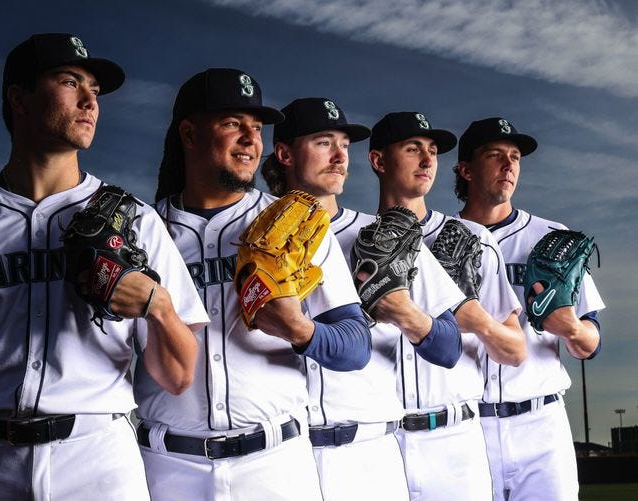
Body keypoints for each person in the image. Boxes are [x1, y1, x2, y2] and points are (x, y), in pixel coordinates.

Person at [0, 33, 208, 500]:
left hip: (97, 461)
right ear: (19, 99)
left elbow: (178, 377)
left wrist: (158, 305)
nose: (89, 102)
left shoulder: (135, 221)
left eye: (94, 90)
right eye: (69, 82)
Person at [135, 71, 372, 501]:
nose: (250, 139)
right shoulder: (143, 231)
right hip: (168, 468)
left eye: (257, 128)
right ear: (189, 133)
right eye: (233, 124)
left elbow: (356, 345)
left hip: (275, 465)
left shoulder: (294, 223)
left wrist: (299, 330)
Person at [261, 98, 466, 500]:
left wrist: (406, 313)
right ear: (284, 154)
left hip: (366, 455)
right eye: (325, 143)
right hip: (282, 455)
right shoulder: (255, 237)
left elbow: (450, 347)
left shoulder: (384, 236)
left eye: (344, 145)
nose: (340, 157)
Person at [364, 111, 528, 500]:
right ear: (379, 161)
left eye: (433, 151)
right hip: (380, 443)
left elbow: (516, 350)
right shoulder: (356, 239)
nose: (427, 160)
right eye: (413, 149)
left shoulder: (471, 238)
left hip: (454, 440)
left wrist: (476, 319)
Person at [454, 116, 605, 500]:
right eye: (495, 155)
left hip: (541, 424)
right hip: (466, 428)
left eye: (515, 157)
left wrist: (572, 328)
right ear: (466, 170)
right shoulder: (438, 241)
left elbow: (591, 342)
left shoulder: (552, 237)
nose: (509, 165)